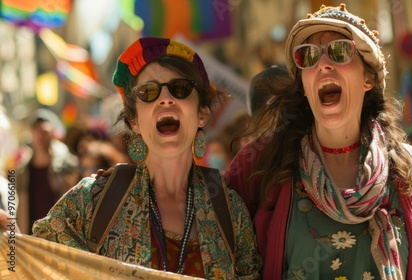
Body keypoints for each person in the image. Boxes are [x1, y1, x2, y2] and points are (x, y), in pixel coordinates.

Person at [224, 4, 412, 279]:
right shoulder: (260, 164)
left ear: (368, 78)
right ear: (304, 86)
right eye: (308, 56)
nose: (323, 64)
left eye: (340, 51)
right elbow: (205, 241)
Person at [32, 37, 261, 278]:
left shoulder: (231, 209)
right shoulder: (92, 200)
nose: (165, 99)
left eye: (180, 88)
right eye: (149, 91)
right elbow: (28, 258)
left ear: (202, 114)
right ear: (134, 121)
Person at [16, 109, 80, 234]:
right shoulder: (23, 168)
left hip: (59, 234)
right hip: (31, 235)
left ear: (52, 134)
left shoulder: (66, 163)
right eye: (36, 131)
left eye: (44, 131)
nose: (40, 135)